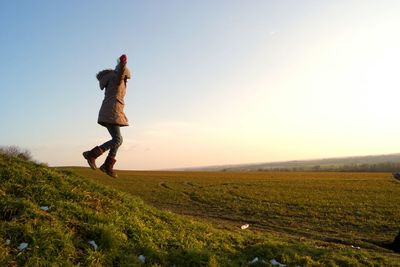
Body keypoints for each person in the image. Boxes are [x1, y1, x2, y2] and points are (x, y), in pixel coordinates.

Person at [83, 54, 131, 178]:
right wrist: (122, 63)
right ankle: (92, 155)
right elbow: (120, 73)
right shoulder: (116, 78)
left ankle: (106, 165)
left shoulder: (113, 80)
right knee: (117, 139)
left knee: (118, 140)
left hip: (112, 111)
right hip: (112, 112)